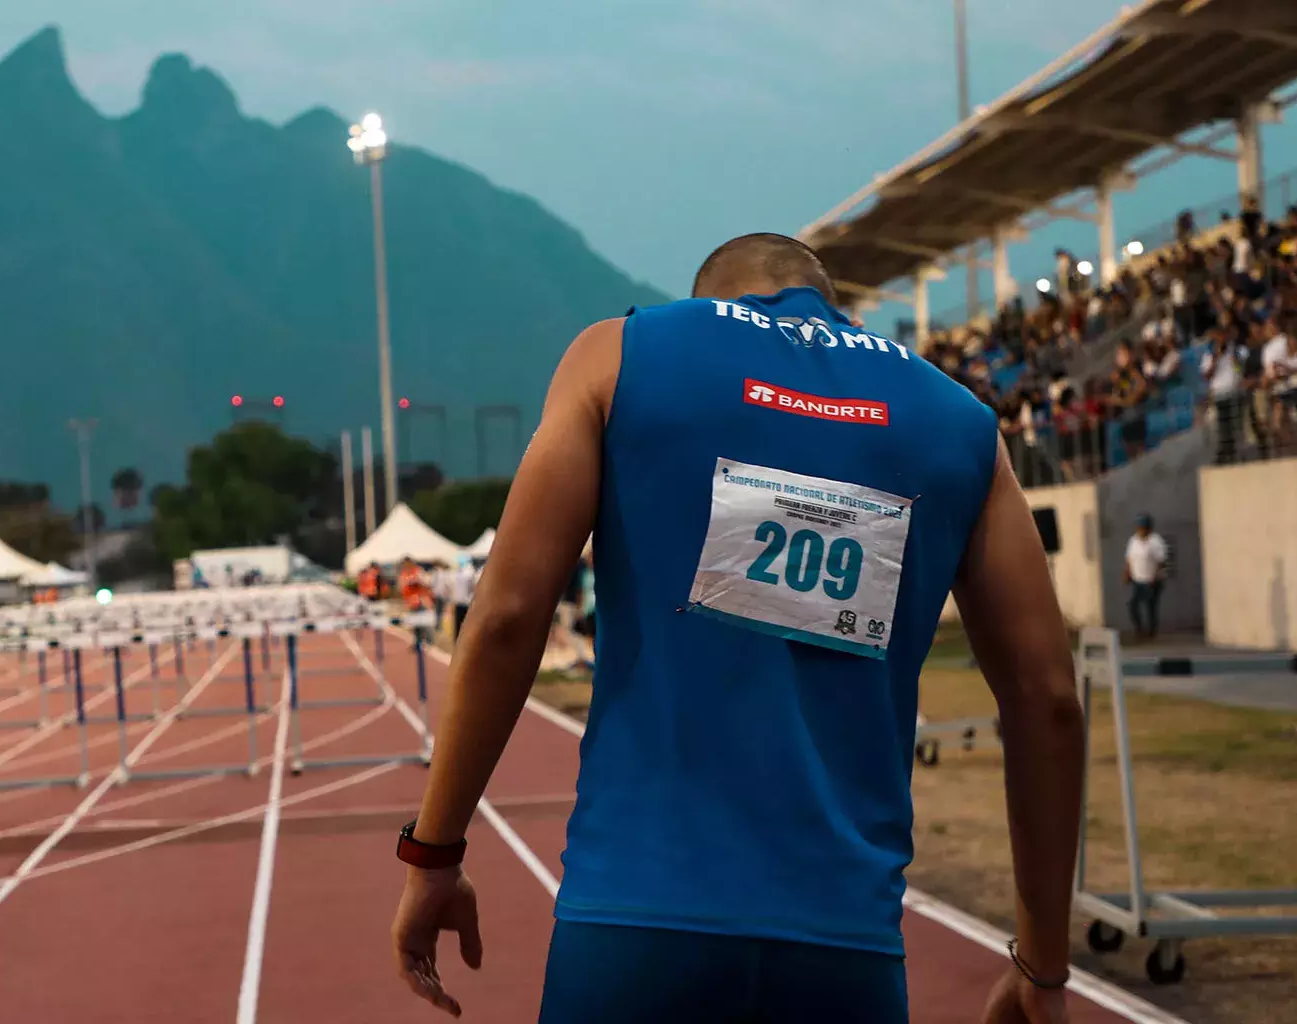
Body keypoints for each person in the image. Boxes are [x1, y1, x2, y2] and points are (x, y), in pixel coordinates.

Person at [389, 233, 1086, 1023]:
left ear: (707, 298)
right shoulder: (959, 422)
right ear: (830, 303)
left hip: (635, 926)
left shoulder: (620, 356)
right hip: (843, 949)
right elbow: (1049, 700)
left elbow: (509, 616)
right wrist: (1043, 966)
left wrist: (435, 852)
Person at [1124, 514, 1170, 641]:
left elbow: (1161, 562)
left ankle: (1151, 632)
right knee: (1133, 605)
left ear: (1149, 529)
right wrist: (1127, 573)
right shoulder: (1133, 541)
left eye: (1143, 528)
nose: (1140, 531)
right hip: (1138, 579)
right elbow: (1129, 558)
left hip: (1152, 580)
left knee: (1151, 606)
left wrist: (1155, 577)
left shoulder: (1156, 541)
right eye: (1139, 528)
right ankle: (1139, 629)